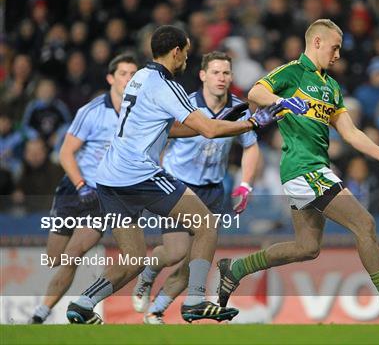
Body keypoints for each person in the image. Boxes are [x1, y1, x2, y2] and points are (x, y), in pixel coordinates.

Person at [65, 25, 285, 324]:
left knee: (133, 259)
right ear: (177, 51)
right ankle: (195, 301)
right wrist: (253, 123)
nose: (186, 60)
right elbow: (207, 129)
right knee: (206, 224)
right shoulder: (166, 86)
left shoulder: (140, 77)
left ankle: (82, 303)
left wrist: (218, 124)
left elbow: (170, 128)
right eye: (186, 52)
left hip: (110, 178)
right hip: (139, 175)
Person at [216, 19, 379, 321]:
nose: (338, 55)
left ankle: (235, 269)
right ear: (316, 42)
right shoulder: (292, 72)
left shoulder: (331, 86)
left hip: (312, 170)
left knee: (307, 247)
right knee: (364, 224)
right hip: (304, 169)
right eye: (335, 47)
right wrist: (284, 100)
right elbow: (255, 92)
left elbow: (351, 133)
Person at [131, 51, 260, 324]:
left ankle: (156, 310)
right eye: (215, 72)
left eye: (226, 73)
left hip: (213, 191)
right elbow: (160, 137)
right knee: (176, 252)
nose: (221, 78)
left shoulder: (239, 109)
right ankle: (147, 275)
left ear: (232, 77)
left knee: (195, 263)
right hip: (180, 185)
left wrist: (245, 184)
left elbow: (251, 147)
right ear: (202, 75)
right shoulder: (185, 104)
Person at [29, 54, 138, 324]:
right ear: (111, 78)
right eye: (124, 73)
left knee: (73, 254)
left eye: (134, 75)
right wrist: (80, 186)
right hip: (74, 188)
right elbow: (66, 153)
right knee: (54, 258)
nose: (129, 79)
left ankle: (41, 314)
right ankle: (75, 306)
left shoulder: (139, 113)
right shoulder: (91, 111)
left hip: (103, 195)